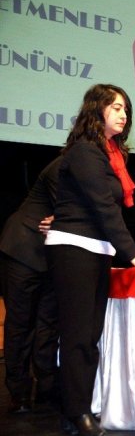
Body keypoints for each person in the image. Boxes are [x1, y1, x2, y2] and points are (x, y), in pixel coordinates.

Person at [45, 84, 135, 436]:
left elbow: (111, 214)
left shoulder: (111, 155)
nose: (124, 114)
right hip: (74, 248)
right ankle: (76, 412)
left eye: (125, 108)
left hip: (98, 251)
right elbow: (104, 208)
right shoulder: (84, 151)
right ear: (96, 111)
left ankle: (79, 408)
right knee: (78, 335)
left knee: (91, 334)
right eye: (115, 107)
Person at [0, 156, 62, 415]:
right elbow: (70, 209)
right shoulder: (64, 164)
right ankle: (20, 393)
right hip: (24, 248)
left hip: (53, 256)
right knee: (21, 323)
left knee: (48, 325)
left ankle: (47, 389)